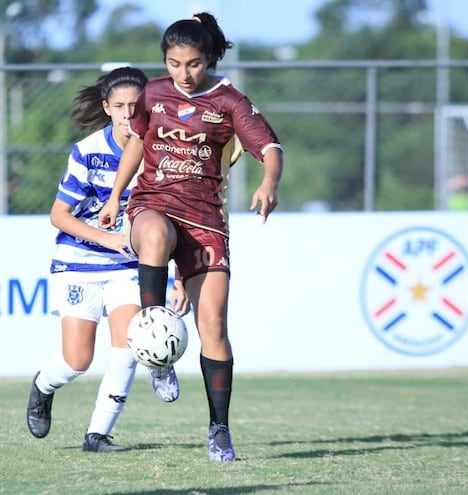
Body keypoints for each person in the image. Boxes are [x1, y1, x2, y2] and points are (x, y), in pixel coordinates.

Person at [99, 13, 284, 461]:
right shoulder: (154, 93)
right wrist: (115, 195)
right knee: (155, 235)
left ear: (208, 59)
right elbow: (139, 143)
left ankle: (219, 429)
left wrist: (269, 183)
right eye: (174, 63)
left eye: (194, 64)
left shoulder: (230, 100)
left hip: (205, 218)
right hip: (152, 202)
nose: (183, 74)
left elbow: (271, 148)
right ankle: (152, 341)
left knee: (214, 326)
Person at [26, 67, 189, 453]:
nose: (128, 114)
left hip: (126, 266)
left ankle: (97, 434)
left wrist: (181, 276)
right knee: (77, 360)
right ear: (107, 107)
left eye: (136, 106)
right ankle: (42, 386)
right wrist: (107, 238)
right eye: (120, 107)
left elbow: (178, 219)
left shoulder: (163, 152)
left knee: (129, 344)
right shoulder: (87, 151)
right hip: (78, 261)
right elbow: (59, 215)